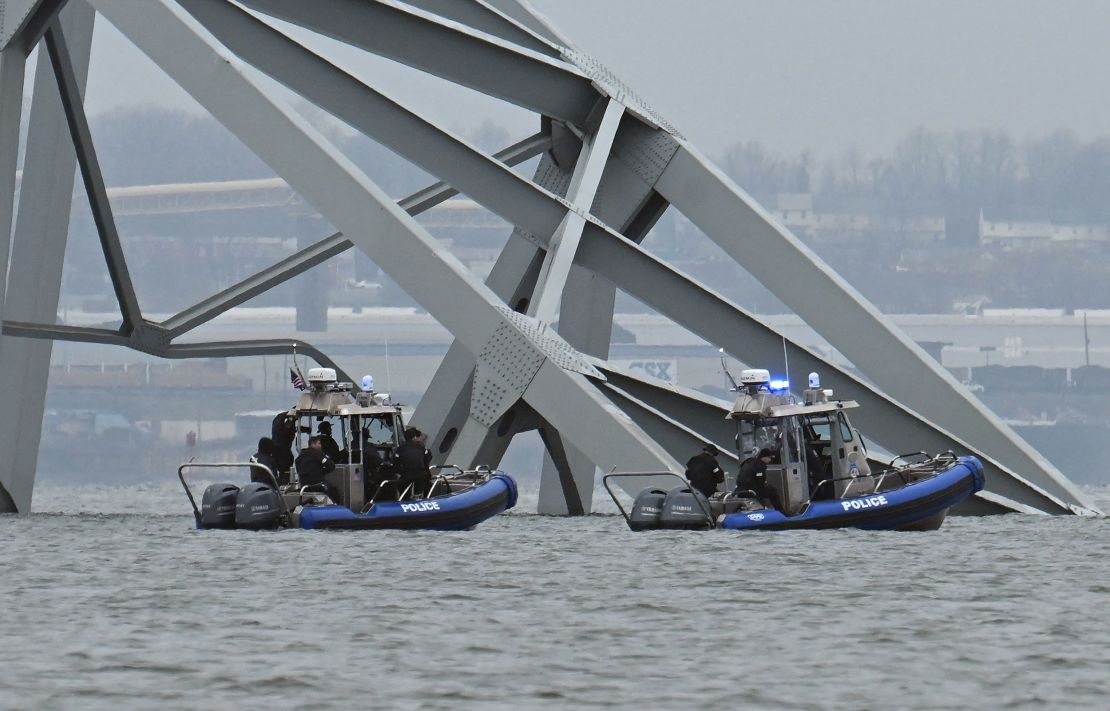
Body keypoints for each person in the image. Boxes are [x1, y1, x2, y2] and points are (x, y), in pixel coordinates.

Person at [295, 436, 339, 501]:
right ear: (313, 443)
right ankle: (336, 507)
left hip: (304, 486)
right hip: (317, 485)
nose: (320, 446)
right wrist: (323, 471)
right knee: (335, 493)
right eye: (319, 443)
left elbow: (298, 468)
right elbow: (331, 466)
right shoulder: (317, 453)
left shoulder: (300, 456)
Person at [394, 427, 432, 498]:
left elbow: (396, 462)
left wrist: (398, 472)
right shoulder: (421, 448)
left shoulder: (400, 449)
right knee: (423, 485)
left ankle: (405, 499)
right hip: (421, 474)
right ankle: (420, 497)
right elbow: (427, 460)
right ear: (414, 437)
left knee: (403, 488)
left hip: (407, 475)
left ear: (405, 437)